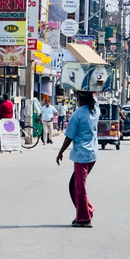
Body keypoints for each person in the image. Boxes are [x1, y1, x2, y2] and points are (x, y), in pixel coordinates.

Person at [56, 91, 99, 228]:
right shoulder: (95, 109)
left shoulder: (78, 114)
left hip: (81, 156)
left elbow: (69, 136)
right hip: (92, 155)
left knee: (79, 188)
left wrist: (60, 152)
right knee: (74, 185)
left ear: (80, 100)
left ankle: (85, 218)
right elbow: (95, 97)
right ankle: (87, 210)